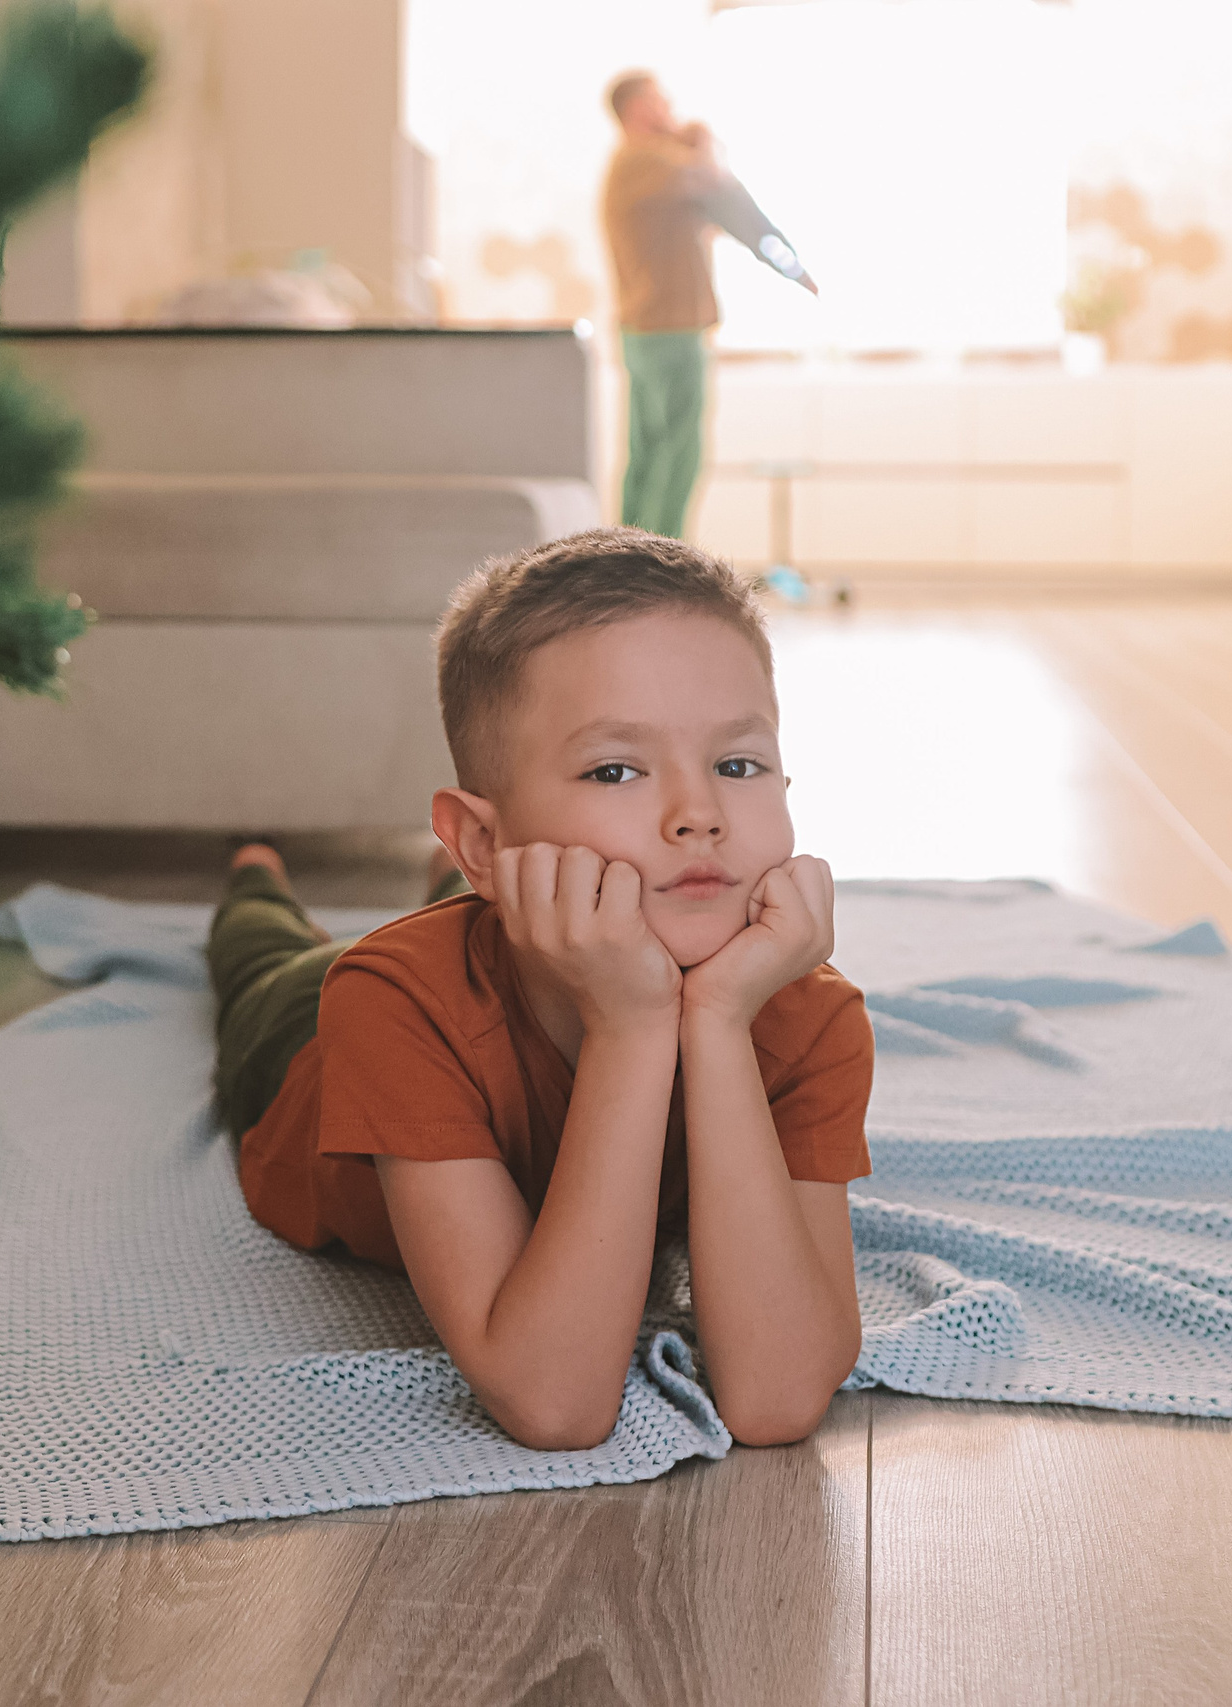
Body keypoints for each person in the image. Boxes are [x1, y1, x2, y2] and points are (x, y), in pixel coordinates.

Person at [207, 529, 871, 1451]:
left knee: (533, 904)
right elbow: (556, 1402)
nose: (700, 814)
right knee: (256, 949)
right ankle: (252, 870)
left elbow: (778, 1397)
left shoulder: (804, 1012)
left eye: (738, 764)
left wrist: (716, 1020)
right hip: (294, 1036)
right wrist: (634, 1025)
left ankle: (476, 895)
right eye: (615, 771)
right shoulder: (389, 1002)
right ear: (478, 840)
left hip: (514, 917)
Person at [600, 72, 817, 541]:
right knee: (678, 454)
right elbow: (718, 185)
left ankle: (625, 565)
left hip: (642, 330)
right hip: (671, 330)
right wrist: (704, 141)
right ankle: (660, 570)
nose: (670, 108)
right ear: (637, 109)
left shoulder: (634, 165)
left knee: (647, 452)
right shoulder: (648, 159)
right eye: (660, 100)